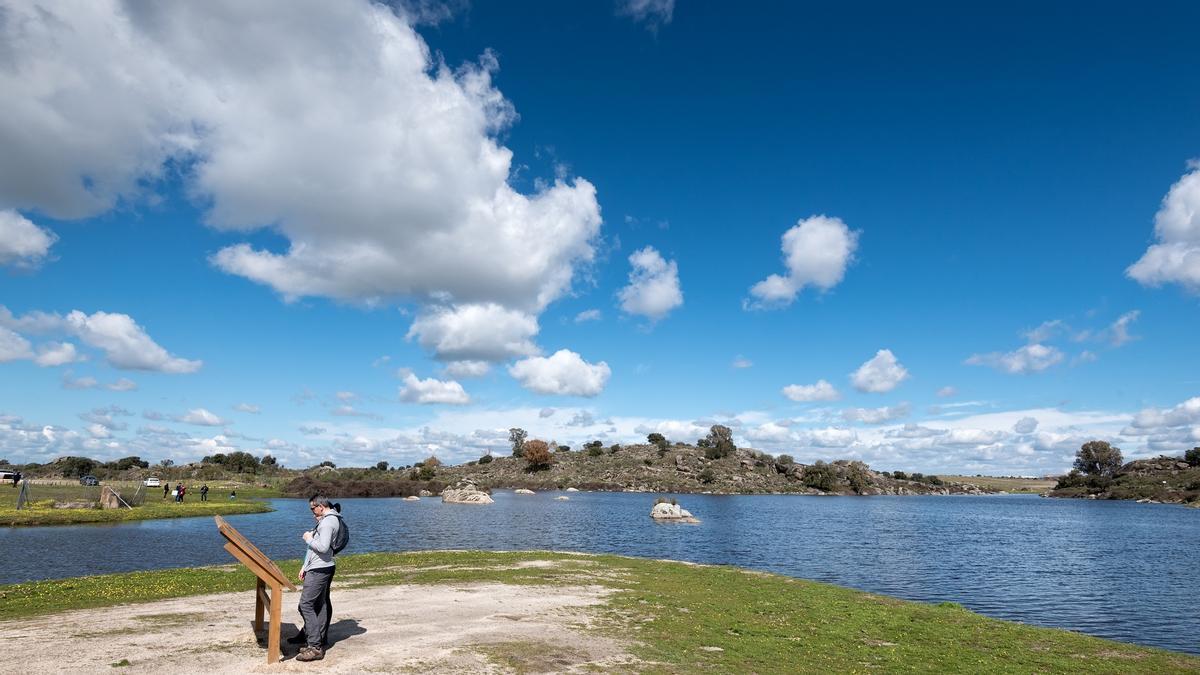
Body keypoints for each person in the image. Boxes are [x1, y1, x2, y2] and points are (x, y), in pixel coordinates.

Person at [293, 495, 343, 662]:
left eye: (313, 508)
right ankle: (317, 641)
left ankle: (315, 647)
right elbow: (316, 549)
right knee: (319, 606)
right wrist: (305, 565)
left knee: (305, 605)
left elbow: (322, 547)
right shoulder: (327, 520)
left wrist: (309, 538)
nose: (312, 512)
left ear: (321, 506)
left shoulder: (328, 522)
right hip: (318, 567)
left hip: (320, 569)